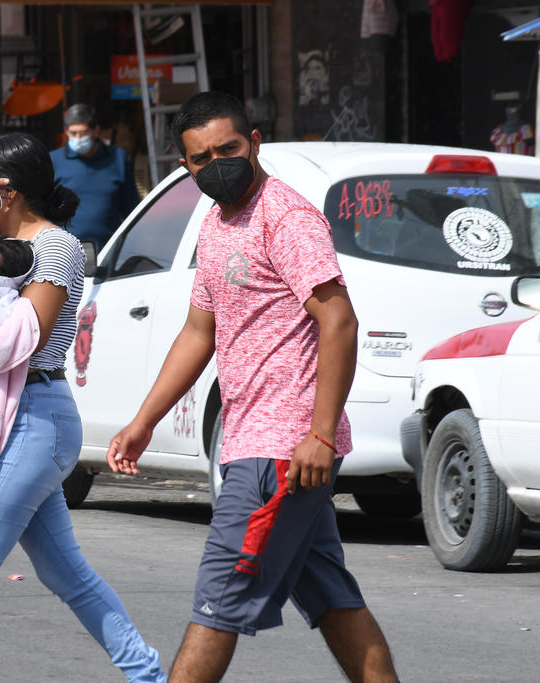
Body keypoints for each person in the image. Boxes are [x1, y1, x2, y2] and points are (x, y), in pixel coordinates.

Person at [105, 92, 400, 683]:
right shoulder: (215, 223)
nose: (217, 165)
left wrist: (320, 433)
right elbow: (199, 332)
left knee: (218, 600)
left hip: (283, 448)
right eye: (201, 158)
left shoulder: (286, 219)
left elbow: (338, 321)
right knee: (331, 597)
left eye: (229, 149)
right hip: (253, 441)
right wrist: (143, 421)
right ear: (184, 166)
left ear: (255, 143)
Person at [0, 132, 166, 683]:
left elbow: (21, 340)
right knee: (67, 573)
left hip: (36, 415)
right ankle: (151, 676)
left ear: (7, 189)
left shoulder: (56, 247)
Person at [50, 103, 140, 249]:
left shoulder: (117, 158)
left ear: (96, 131)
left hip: (109, 250)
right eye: (73, 133)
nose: (78, 138)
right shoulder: (54, 160)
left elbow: (131, 207)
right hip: (66, 251)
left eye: (83, 132)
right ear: (66, 132)